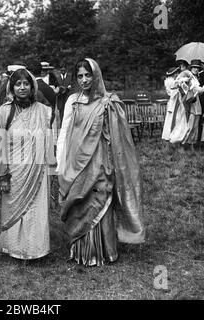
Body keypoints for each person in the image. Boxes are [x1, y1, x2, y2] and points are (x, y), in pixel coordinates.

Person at [56, 58, 145, 267]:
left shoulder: (109, 102)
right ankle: (81, 251)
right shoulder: (73, 101)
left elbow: (119, 138)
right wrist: (60, 162)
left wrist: (117, 165)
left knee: (99, 203)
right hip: (76, 163)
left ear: (96, 75)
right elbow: (64, 132)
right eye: (80, 76)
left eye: (88, 75)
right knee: (79, 202)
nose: (85, 80)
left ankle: (102, 251)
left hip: (101, 163)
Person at [0, 67, 52, 260]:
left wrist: (52, 170)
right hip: (14, 172)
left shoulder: (44, 111)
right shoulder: (4, 112)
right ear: (12, 87)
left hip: (38, 172)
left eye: (26, 83)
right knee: (14, 208)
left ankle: (35, 250)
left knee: (36, 210)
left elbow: (51, 143)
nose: (22, 87)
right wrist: (2, 174)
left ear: (33, 86)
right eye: (18, 84)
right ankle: (14, 249)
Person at [182, 60, 204, 148]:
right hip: (190, 104)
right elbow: (194, 89)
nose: (196, 69)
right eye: (194, 67)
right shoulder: (189, 77)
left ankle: (192, 145)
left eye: (198, 68)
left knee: (195, 126)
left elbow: (198, 92)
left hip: (197, 103)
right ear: (191, 68)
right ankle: (184, 144)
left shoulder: (196, 78)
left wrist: (201, 90)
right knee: (190, 125)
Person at [162, 67, 180, 141]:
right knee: (171, 119)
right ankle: (170, 135)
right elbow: (172, 93)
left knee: (172, 118)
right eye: (176, 73)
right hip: (173, 101)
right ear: (173, 74)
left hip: (174, 101)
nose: (177, 74)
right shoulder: (170, 81)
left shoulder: (172, 80)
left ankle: (171, 135)